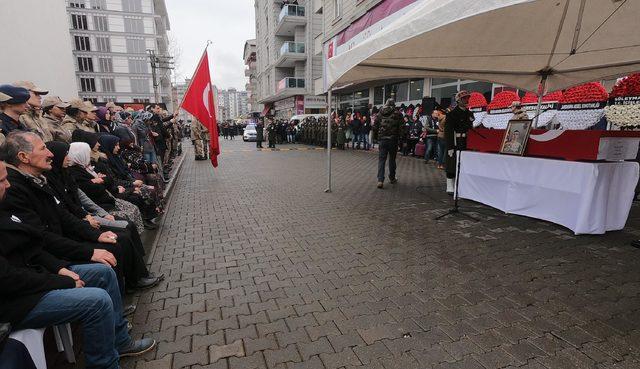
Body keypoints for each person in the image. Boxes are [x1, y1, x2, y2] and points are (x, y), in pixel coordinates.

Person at [0, 161, 157, 368]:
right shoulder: (17, 196)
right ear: (23, 156)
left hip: (37, 276)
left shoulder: (13, 202)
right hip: (16, 301)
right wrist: (60, 280)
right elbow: (8, 278)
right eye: (2, 180)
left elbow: (32, 248)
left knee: (104, 273)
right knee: (97, 301)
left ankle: (120, 341)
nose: (8, 184)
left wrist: (59, 269)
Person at [445, 91, 475, 194]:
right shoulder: (452, 114)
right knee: (452, 163)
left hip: (466, 141)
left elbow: (471, 128)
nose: (466, 100)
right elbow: (448, 131)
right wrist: (450, 146)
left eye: (467, 98)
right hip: (455, 141)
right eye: (464, 98)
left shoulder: (469, 113)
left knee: (463, 163)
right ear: (458, 100)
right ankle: (449, 184)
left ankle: (461, 184)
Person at [373, 99, 403, 189]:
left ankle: (380, 180)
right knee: (392, 160)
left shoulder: (379, 113)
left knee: (381, 160)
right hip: (393, 140)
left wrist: (375, 138)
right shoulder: (398, 114)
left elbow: (375, 127)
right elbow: (402, 128)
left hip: (382, 140)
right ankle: (392, 178)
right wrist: (401, 140)